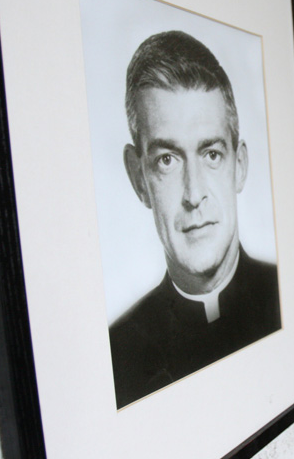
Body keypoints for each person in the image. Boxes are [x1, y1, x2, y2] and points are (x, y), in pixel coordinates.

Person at [109, 31, 281, 409]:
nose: (193, 194)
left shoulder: (288, 295)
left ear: (239, 166)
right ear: (139, 179)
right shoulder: (116, 354)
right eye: (167, 160)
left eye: (211, 154)